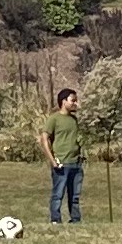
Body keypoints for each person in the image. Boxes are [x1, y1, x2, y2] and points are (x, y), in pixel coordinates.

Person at [42, 89, 85, 225]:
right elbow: (44, 139)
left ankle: (75, 219)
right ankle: (55, 219)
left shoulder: (74, 119)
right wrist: (53, 160)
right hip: (62, 163)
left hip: (75, 163)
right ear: (63, 101)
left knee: (75, 195)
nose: (75, 103)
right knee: (58, 194)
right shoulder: (54, 119)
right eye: (72, 100)